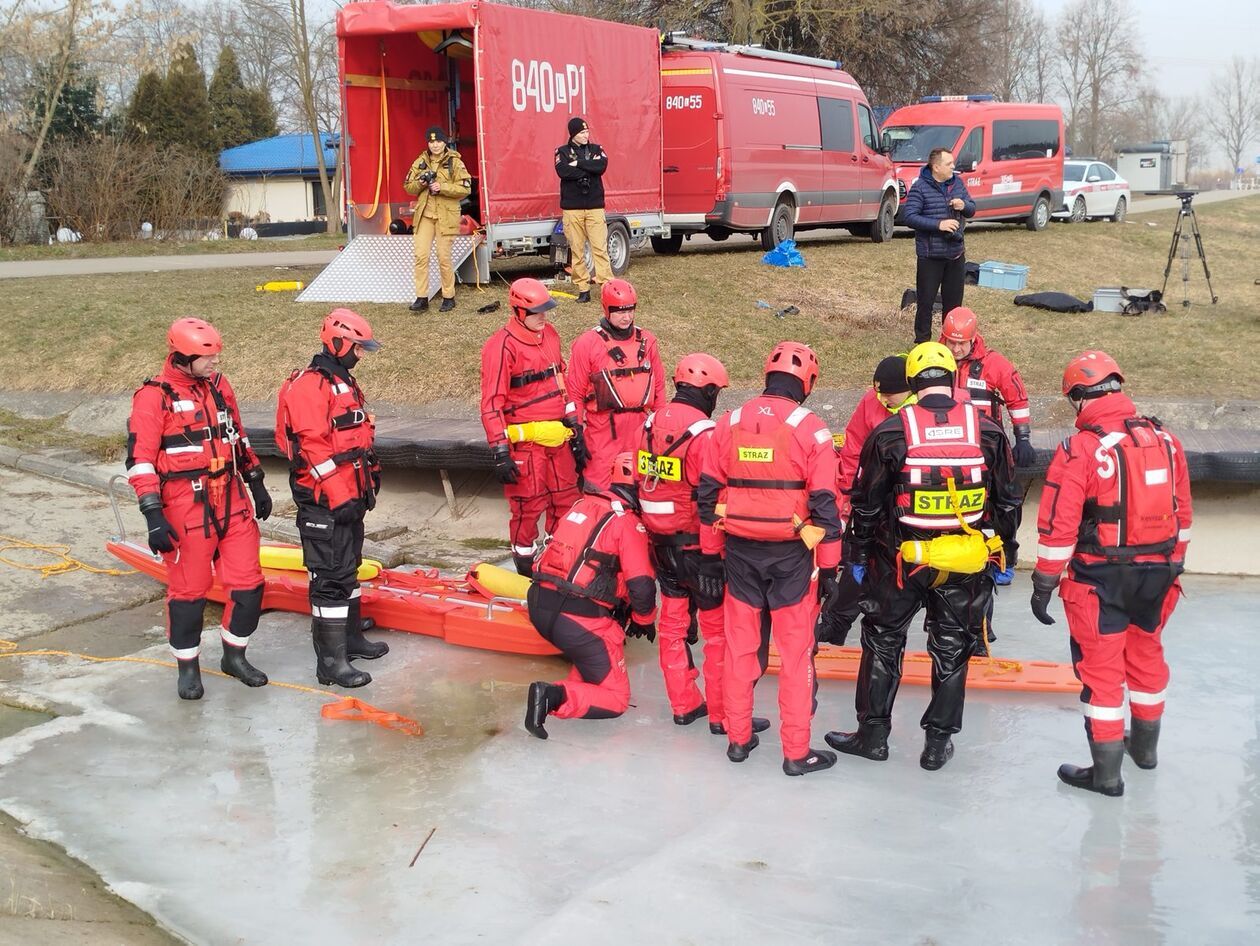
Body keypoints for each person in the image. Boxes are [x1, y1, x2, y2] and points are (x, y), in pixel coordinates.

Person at [826, 342, 1022, 770]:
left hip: (900, 560)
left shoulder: (892, 431)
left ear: (913, 384)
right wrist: (1004, 548)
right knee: (952, 649)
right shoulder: (988, 431)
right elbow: (1007, 502)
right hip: (965, 562)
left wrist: (857, 555)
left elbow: (867, 504)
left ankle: (873, 736)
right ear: (953, 379)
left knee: (882, 641)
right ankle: (937, 745)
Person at [1030, 351, 1192, 797]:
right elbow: (1183, 516)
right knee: (1147, 660)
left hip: (1099, 582)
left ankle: (1105, 776)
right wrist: (1171, 566)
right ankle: (1144, 752)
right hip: (1159, 576)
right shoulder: (1165, 440)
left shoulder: (1079, 449)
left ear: (1081, 396)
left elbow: (1058, 527)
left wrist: (1044, 582)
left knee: (1102, 677)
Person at [697, 342, 844, 777]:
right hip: (793, 560)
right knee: (796, 658)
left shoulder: (727, 424)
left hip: (739, 554)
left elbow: (707, 499)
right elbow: (826, 509)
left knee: (741, 650)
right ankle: (796, 754)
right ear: (808, 383)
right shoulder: (813, 430)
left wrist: (710, 557)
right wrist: (831, 567)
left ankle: (738, 740)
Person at [126, 318, 272, 700]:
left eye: (216, 355)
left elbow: (236, 434)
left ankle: (234, 656)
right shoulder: (153, 397)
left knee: (250, 586)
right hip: (184, 505)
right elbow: (140, 460)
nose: (215, 363)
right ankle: (188, 668)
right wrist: (152, 514)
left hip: (232, 498)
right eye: (207, 357)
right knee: (189, 594)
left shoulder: (220, 387)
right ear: (183, 356)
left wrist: (255, 481)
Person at [276, 309, 387, 688]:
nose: (361, 354)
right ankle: (330, 662)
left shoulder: (343, 381)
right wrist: (339, 497)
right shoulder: (310, 386)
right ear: (338, 343)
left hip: (350, 494)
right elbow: (314, 448)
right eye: (358, 347)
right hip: (324, 499)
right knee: (330, 577)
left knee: (348, 567)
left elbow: (356, 439)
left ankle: (352, 639)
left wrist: (365, 486)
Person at [524, 453, 657, 738]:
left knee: (592, 662)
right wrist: (644, 619)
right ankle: (552, 697)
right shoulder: (627, 522)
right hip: (579, 619)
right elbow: (642, 584)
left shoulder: (583, 504)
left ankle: (570, 689)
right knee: (617, 697)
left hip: (539, 605)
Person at [636, 353, 731, 731]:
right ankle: (723, 715)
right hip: (698, 548)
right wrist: (713, 557)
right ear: (708, 391)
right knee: (717, 634)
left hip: (661, 546)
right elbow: (710, 501)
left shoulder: (648, 424)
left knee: (673, 627)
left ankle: (683, 704)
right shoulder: (705, 434)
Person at [479, 277, 587, 577]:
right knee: (528, 508)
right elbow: (491, 404)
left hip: (557, 438)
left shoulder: (550, 335)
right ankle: (525, 571)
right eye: (537, 311)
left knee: (566, 500)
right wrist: (500, 451)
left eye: (546, 310)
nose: (544, 316)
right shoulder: (500, 347)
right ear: (518, 312)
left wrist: (575, 427)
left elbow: (562, 384)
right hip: (526, 445)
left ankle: (556, 564)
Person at [818, 355, 916, 646]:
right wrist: (848, 495)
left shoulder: (923, 411)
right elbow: (852, 449)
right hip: (872, 500)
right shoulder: (872, 403)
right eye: (879, 394)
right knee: (856, 563)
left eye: (889, 395)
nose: (884, 399)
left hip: (910, 505)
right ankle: (835, 624)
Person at [566, 278, 665, 491]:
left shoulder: (647, 341)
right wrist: (576, 433)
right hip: (603, 435)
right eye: (620, 312)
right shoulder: (587, 344)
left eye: (630, 310)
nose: (627, 317)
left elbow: (659, 390)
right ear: (606, 309)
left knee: (643, 490)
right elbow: (575, 392)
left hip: (640, 430)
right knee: (600, 494)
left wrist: (661, 429)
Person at [940, 307, 1035, 468]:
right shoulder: (931, 360)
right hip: (943, 442)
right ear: (944, 338)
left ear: (973, 339)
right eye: (952, 342)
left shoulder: (994, 363)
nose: (956, 349)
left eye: (962, 343)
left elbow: (1017, 400)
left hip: (985, 443)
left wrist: (1022, 438)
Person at [903, 147, 976, 344]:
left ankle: (950, 342)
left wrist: (964, 206)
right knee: (925, 303)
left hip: (955, 254)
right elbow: (909, 216)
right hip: (930, 256)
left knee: (953, 305)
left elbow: (972, 208)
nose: (953, 166)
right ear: (936, 167)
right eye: (948, 163)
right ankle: (922, 343)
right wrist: (938, 225)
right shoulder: (920, 187)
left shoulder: (958, 184)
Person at [404, 126, 472, 313]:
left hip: (446, 215)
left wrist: (441, 187)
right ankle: (421, 297)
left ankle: (448, 297)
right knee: (421, 256)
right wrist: (421, 183)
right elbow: (408, 186)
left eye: (439, 141)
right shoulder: (420, 162)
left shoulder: (455, 162)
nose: (435, 145)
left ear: (445, 142)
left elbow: (465, 188)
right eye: (432, 142)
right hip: (425, 214)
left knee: (444, 257)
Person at [555, 116, 611, 302]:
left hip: (595, 206)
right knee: (577, 250)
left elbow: (601, 166)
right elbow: (563, 171)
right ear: (573, 134)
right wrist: (589, 168)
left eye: (587, 131)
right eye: (582, 132)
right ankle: (583, 288)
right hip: (572, 208)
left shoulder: (597, 149)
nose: (586, 135)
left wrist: (578, 163)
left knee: (599, 249)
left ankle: (606, 287)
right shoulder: (562, 151)